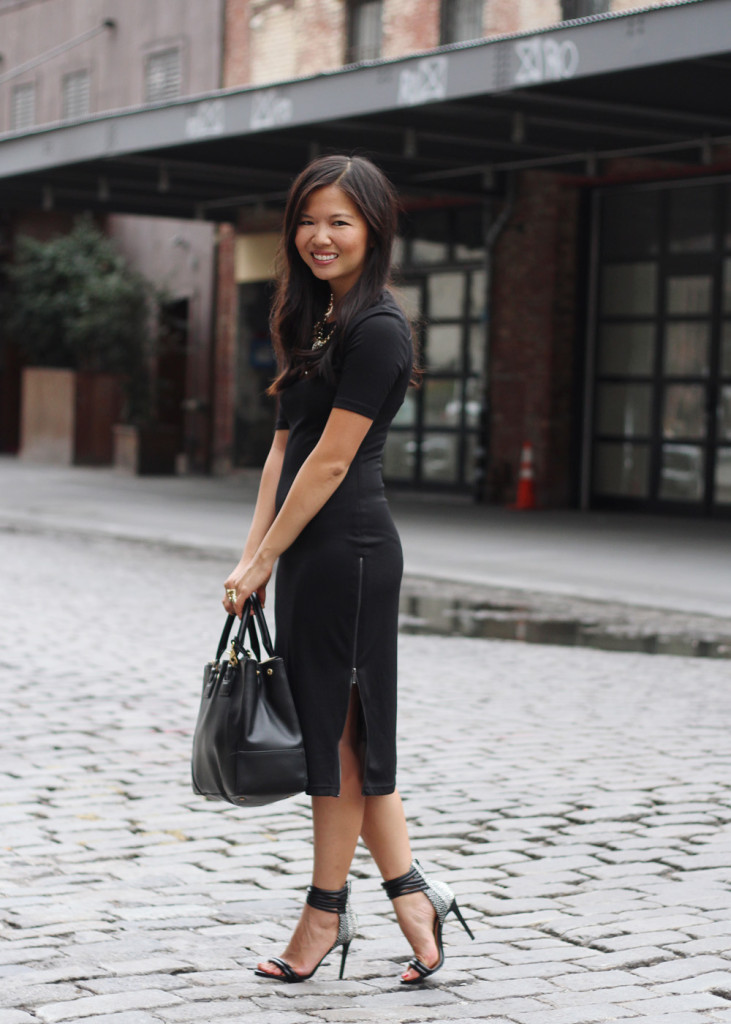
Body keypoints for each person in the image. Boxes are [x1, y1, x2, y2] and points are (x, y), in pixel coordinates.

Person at [222, 154, 474, 984]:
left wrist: (266, 557)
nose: (319, 236)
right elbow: (281, 454)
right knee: (341, 739)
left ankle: (324, 916)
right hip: (306, 556)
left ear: (372, 230)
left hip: (351, 552)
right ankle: (411, 897)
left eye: (340, 221)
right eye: (307, 220)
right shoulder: (315, 318)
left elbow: (329, 465)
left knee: (338, 742)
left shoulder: (378, 329)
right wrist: (251, 553)